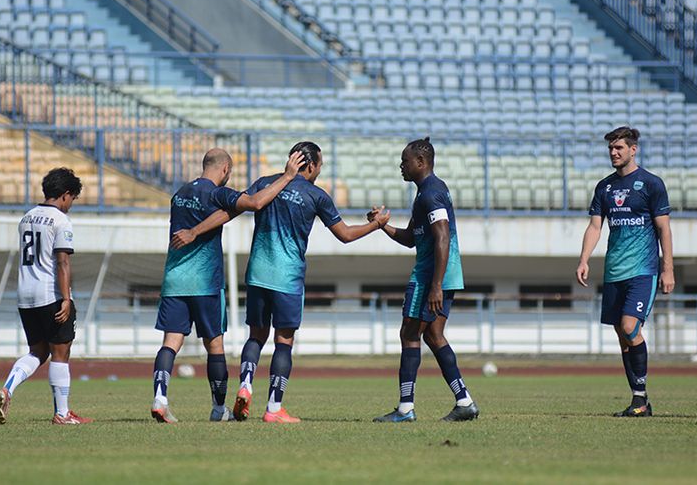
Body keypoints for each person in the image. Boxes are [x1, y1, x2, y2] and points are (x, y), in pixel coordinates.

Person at [173, 141, 389, 423]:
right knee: (283, 341)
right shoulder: (317, 195)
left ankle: (246, 385)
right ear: (310, 165)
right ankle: (274, 409)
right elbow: (345, 235)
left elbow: (229, 211)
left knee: (256, 336)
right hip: (287, 278)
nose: (319, 170)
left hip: (257, 274)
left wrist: (194, 230)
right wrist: (377, 224)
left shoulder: (264, 183)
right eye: (320, 165)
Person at [151, 148, 305, 423]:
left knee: (170, 344)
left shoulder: (180, 194)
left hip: (174, 279)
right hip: (206, 282)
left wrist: (196, 230)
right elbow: (256, 203)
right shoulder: (218, 193)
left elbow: (222, 216)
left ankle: (160, 398)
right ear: (225, 170)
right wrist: (288, 176)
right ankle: (218, 409)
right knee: (215, 346)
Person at [370, 137, 479, 423]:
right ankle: (464, 401)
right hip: (443, 274)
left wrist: (434, 286)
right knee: (432, 335)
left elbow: (442, 237)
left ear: (420, 162)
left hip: (432, 275)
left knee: (409, 334)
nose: (401, 165)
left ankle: (405, 409)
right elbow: (410, 239)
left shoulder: (431, 193)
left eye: (405, 161)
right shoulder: (425, 193)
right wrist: (383, 226)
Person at [576, 127, 674, 417]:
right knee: (622, 333)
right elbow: (595, 226)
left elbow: (663, 228)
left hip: (644, 270)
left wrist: (668, 269)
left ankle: (641, 399)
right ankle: (639, 399)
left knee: (631, 327)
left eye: (619, 148)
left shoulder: (651, 184)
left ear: (633, 149)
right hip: (614, 271)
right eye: (610, 148)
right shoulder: (604, 187)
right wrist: (584, 259)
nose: (614, 152)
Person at [0, 168, 92, 425]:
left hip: (25, 295)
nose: (71, 205)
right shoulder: (60, 221)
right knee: (60, 352)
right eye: (73, 199)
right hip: (51, 294)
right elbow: (62, 262)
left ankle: (7, 389)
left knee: (37, 351)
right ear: (65, 195)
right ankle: (62, 413)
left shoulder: (26, 218)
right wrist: (66, 298)